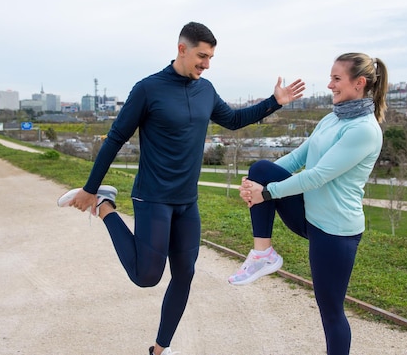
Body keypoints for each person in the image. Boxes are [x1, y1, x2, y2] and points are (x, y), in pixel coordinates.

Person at [58, 21, 305, 355]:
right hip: (153, 196)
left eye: (211, 57)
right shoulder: (148, 89)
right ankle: (104, 206)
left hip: (187, 201)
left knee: (184, 274)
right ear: (182, 49)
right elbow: (116, 137)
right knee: (146, 276)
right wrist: (89, 188)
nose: (206, 64)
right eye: (202, 56)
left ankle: (160, 350)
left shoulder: (206, 90)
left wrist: (274, 102)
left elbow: (233, 120)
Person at [228, 53, 388, 355]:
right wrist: (256, 186)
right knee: (260, 168)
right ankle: (263, 255)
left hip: (335, 231)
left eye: (336, 79)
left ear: (359, 83)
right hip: (309, 214)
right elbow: (298, 159)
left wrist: (269, 193)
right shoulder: (333, 118)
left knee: (330, 311)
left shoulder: (364, 130)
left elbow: (317, 176)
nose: (329, 85)